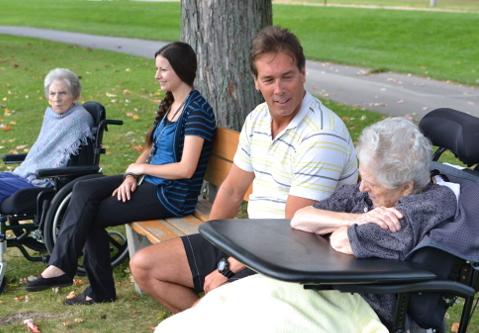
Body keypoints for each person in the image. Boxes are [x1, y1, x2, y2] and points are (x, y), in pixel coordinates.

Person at [129, 25, 359, 313]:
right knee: (144, 266)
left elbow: (294, 229)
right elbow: (232, 189)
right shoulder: (258, 118)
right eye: (269, 79)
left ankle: (208, 319)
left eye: (287, 77)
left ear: (303, 74)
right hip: (252, 242)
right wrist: (211, 241)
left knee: (206, 307)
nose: (279, 89)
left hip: (296, 258)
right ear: (255, 82)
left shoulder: (321, 134)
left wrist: (226, 268)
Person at [153, 117, 457, 333]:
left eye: (373, 184)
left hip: (360, 304)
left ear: (405, 187)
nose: (362, 188)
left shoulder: (424, 205)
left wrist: (337, 229)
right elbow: (302, 218)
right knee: (221, 302)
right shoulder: (371, 196)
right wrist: (358, 218)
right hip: (320, 284)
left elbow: (342, 243)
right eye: (362, 177)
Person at [25, 42, 217, 305]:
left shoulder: (197, 111)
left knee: (89, 214)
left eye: (163, 69)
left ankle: (91, 287)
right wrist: (130, 176)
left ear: (181, 70)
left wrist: (140, 170)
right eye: (157, 69)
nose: (156, 75)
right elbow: (150, 149)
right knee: (84, 189)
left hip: (171, 195)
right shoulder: (171, 104)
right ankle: (63, 268)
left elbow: (186, 169)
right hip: (151, 182)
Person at [0, 68, 94, 247]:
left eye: (63, 93)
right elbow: (42, 151)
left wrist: (35, 170)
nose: (56, 98)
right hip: (26, 173)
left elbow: (54, 157)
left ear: (75, 96)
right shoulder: (52, 115)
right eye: (52, 93)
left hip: (41, 180)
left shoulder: (78, 118)